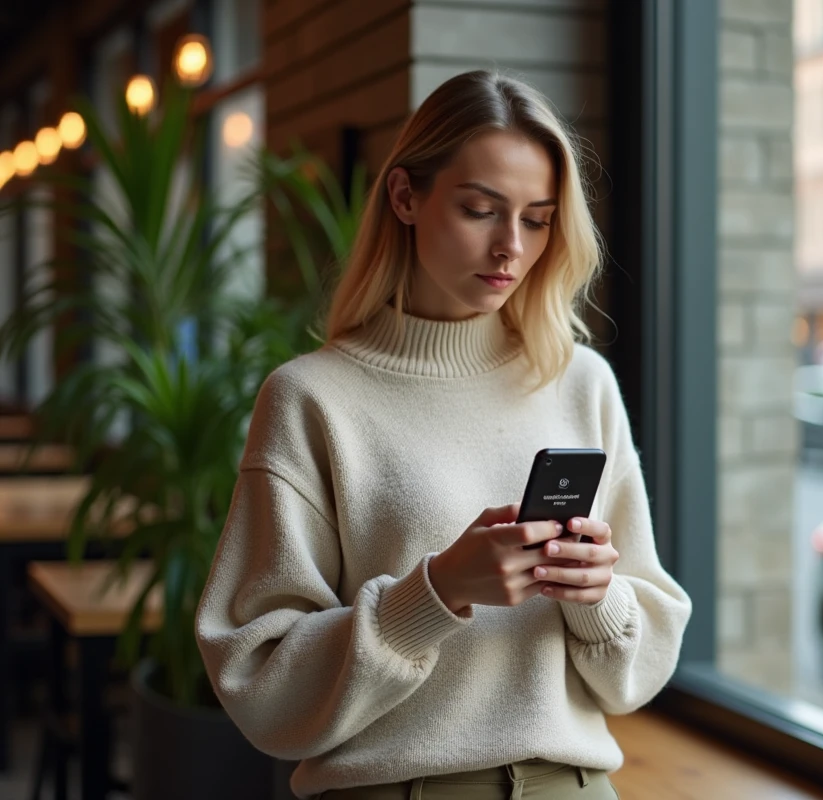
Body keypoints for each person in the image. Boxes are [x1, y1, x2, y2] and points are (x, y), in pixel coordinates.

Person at [195, 70, 692, 800]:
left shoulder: (580, 382)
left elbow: (638, 672)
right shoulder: (312, 399)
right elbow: (259, 681)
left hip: (575, 786)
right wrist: (437, 592)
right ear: (405, 197)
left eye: (537, 219)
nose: (510, 247)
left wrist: (597, 598)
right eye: (480, 210)